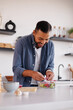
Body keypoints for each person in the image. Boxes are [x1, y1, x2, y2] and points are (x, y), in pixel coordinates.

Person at [12, 21, 54, 87]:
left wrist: (49, 71)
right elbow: (16, 68)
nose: (43, 42)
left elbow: (50, 65)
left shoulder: (50, 45)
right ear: (34, 32)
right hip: (23, 86)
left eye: (46, 39)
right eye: (40, 38)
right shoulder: (21, 42)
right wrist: (32, 73)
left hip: (41, 86)